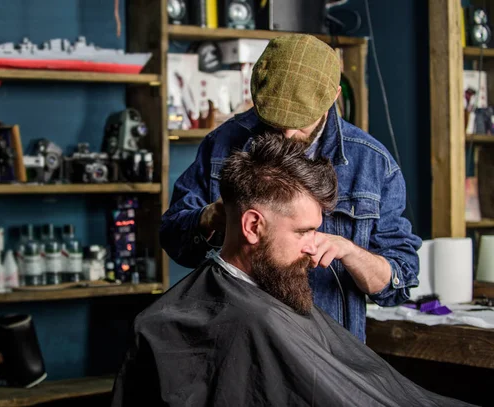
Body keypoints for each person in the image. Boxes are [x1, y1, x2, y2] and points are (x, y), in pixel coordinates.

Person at [110, 134, 471, 407]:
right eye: (304, 232)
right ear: (252, 226)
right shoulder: (243, 320)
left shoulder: (267, 300)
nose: (314, 246)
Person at [160, 33, 422, 342]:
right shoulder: (222, 144)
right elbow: (173, 237)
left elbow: (399, 282)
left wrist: (349, 252)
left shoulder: (373, 164)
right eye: (273, 118)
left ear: (333, 96)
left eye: (299, 121)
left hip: (328, 351)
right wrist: (208, 217)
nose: (285, 131)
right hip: (236, 339)